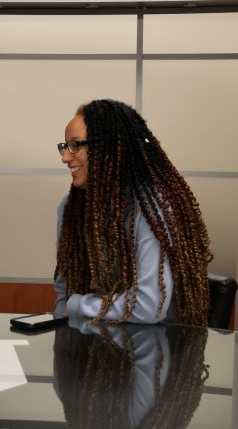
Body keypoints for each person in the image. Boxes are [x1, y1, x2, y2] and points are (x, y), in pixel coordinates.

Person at [54, 99, 212, 325]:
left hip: (159, 349)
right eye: (65, 146)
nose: (65, 157)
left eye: (75, 145)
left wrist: (78, 305)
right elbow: (64, 290)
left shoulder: (152, 209)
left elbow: (149, 306)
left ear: (108, 148)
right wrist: (63, 333)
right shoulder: (70, 208)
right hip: (96, 344)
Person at [50, 321, 209, 429]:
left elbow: (64, 318)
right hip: (158, 317)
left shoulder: (63, 390)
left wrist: (78, 308)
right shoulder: (135, 422)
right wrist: (93, 313)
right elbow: (151, 342)